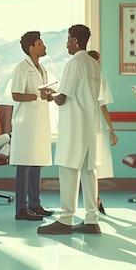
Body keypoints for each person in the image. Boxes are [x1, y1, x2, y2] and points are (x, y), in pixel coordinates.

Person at [37, 24, 102, 236]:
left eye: (68, 39)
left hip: (74, 124)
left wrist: (50, 95)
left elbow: (63, 97)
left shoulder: (74, 63)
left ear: (75, 40)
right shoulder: (93, 63)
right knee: (88, 171)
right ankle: (92, 219)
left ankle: (65, 220)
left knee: (67, 169)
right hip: (89, 124)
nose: (66, 44)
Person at [10, 31, 54, 221]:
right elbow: (16, 95)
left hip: (40, 122)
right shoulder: (21, 68)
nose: (44, 46)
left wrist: (50, 95)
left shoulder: (42, 69)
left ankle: (35, 205)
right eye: (40, 43)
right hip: (26, 124)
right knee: (25, 165)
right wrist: (38, 96)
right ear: (31, 48)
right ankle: (21, 209)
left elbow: (42, 94)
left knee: (37, 164)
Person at [88, 50, 118, 215]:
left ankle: (94, 199)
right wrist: (112, 130)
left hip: (93, 128)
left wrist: (112, 130)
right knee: (93, 166)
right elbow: (104, 107)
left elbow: (103, 106)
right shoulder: (101, 82)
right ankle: (94, 200)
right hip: (95, 127)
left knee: (92, 166)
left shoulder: (101, 82)